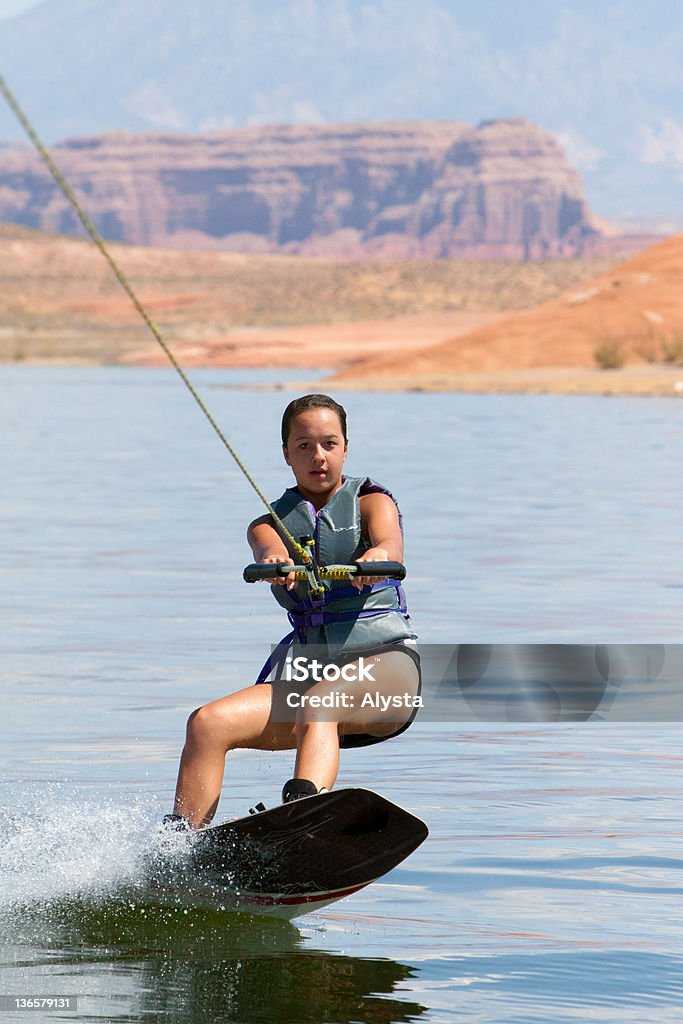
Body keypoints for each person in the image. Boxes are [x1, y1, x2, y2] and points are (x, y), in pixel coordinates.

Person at [165, 393, 420, 829]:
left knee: (321, 703)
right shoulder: (267, 523)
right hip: (312, 674)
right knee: (207, 723)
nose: (318, 456)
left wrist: (371, 561)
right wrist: (274, 565)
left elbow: (389, 544)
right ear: (286, 453)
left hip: (387, 671)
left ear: (344, 448)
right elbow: (268, 549)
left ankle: (300, 820)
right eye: (304, 446)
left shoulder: (372, 503)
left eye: (328, 444)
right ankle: (177, 850)